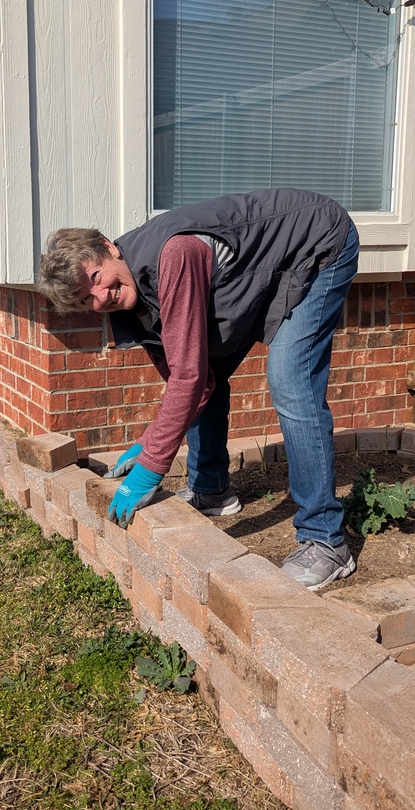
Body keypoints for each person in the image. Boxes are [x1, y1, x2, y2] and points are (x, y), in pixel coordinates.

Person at [36, 188, 360, 590]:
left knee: (291, 380)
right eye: (87, 300)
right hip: (260, 269)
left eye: (96, 279)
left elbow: (188, 379)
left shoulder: (175, 253)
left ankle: (325, 540)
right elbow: (192, 379)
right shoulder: (129, 301)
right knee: (206, 369)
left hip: (316, 243)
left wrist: (151, 465)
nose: (101, 298)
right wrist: (149, 441)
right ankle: (211, 490)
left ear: (108, 248)